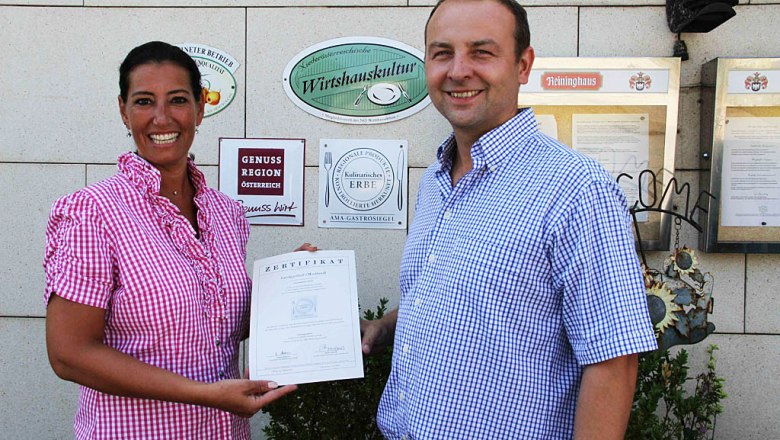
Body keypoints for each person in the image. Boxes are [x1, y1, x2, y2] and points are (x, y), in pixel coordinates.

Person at [360, 0, 658, 438]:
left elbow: (614, 360)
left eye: (481, 52)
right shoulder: (435, 181)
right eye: (442, 53)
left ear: (523, 65)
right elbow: (454, 297)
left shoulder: (575, 188)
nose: (459, 70)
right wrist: (384, 326)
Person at [44, 41, 312, 439]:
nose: (161, 117)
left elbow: (219, 324)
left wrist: (289, 284)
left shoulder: (226, 213)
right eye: (144, 101)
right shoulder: (92, 212)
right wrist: (204, 395)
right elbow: (70, 354)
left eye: (178, 99)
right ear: (123, 110)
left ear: (200, 108)